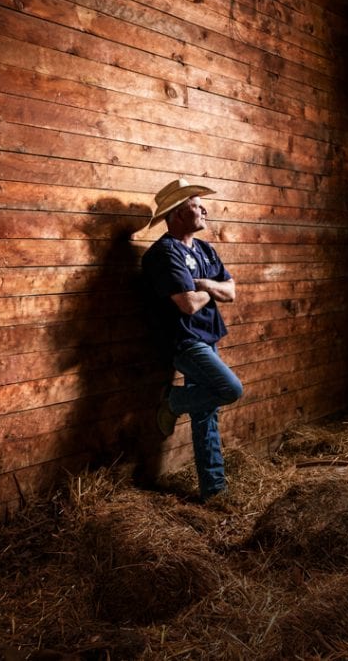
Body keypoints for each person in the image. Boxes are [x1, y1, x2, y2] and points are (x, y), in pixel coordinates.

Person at [141, 177, 243, 502]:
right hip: (184, 342)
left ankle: (214, 491)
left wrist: (205, 286)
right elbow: (186, 305)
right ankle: (172, 401)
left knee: (207, 411)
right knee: (229, 389)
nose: (204, 211)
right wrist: (209, 289)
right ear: (177, 214)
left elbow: (231, 291)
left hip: (208, 337)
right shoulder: (163, 254)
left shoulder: (204, 250)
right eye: (196, 207)